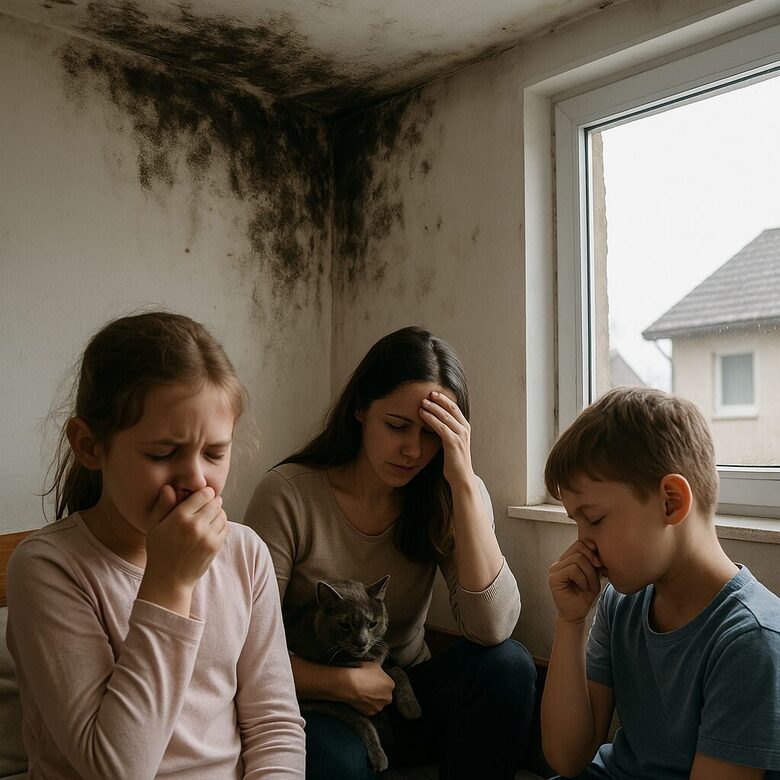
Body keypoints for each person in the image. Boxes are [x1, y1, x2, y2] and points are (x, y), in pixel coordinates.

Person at [6, 311, 305, 779]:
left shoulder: (245, 554)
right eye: (162, 454)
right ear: (89, 446)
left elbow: (276, 726)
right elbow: (115, 769)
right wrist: (169, 582)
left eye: (214, 454)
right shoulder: (48, 568)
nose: (194, 480)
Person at [244, 325, 537, 780]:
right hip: (320, 703)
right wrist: (342, 683)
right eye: (397, 426)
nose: (413, 450)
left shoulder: (446, 496)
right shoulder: (288, 495)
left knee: (510, 667)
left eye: (432, 434)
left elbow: (492, 627)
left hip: (405, 692)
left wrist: (463, 482)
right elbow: (243, 649)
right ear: (360, 407)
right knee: (332, 762)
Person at [541, 386, 780, 780]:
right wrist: (569, 623)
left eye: (595, 519)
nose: (582, 543)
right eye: (577, 522)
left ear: (671, 502)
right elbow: (567, 759)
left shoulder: (752, 640)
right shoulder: (620, 603)